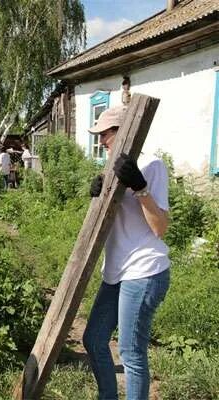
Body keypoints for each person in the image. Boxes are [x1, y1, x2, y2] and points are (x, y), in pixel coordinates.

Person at [83, 105, 170, 400]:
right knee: (93, 339)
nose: (102, 140)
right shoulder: (111, 169)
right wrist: (97, 197)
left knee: (130, 353)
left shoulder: (152, 165)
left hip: (145, 269)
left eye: (106, 134)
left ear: (126, 132)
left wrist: (140, 187)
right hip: (116, 271)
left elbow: (160, 227)